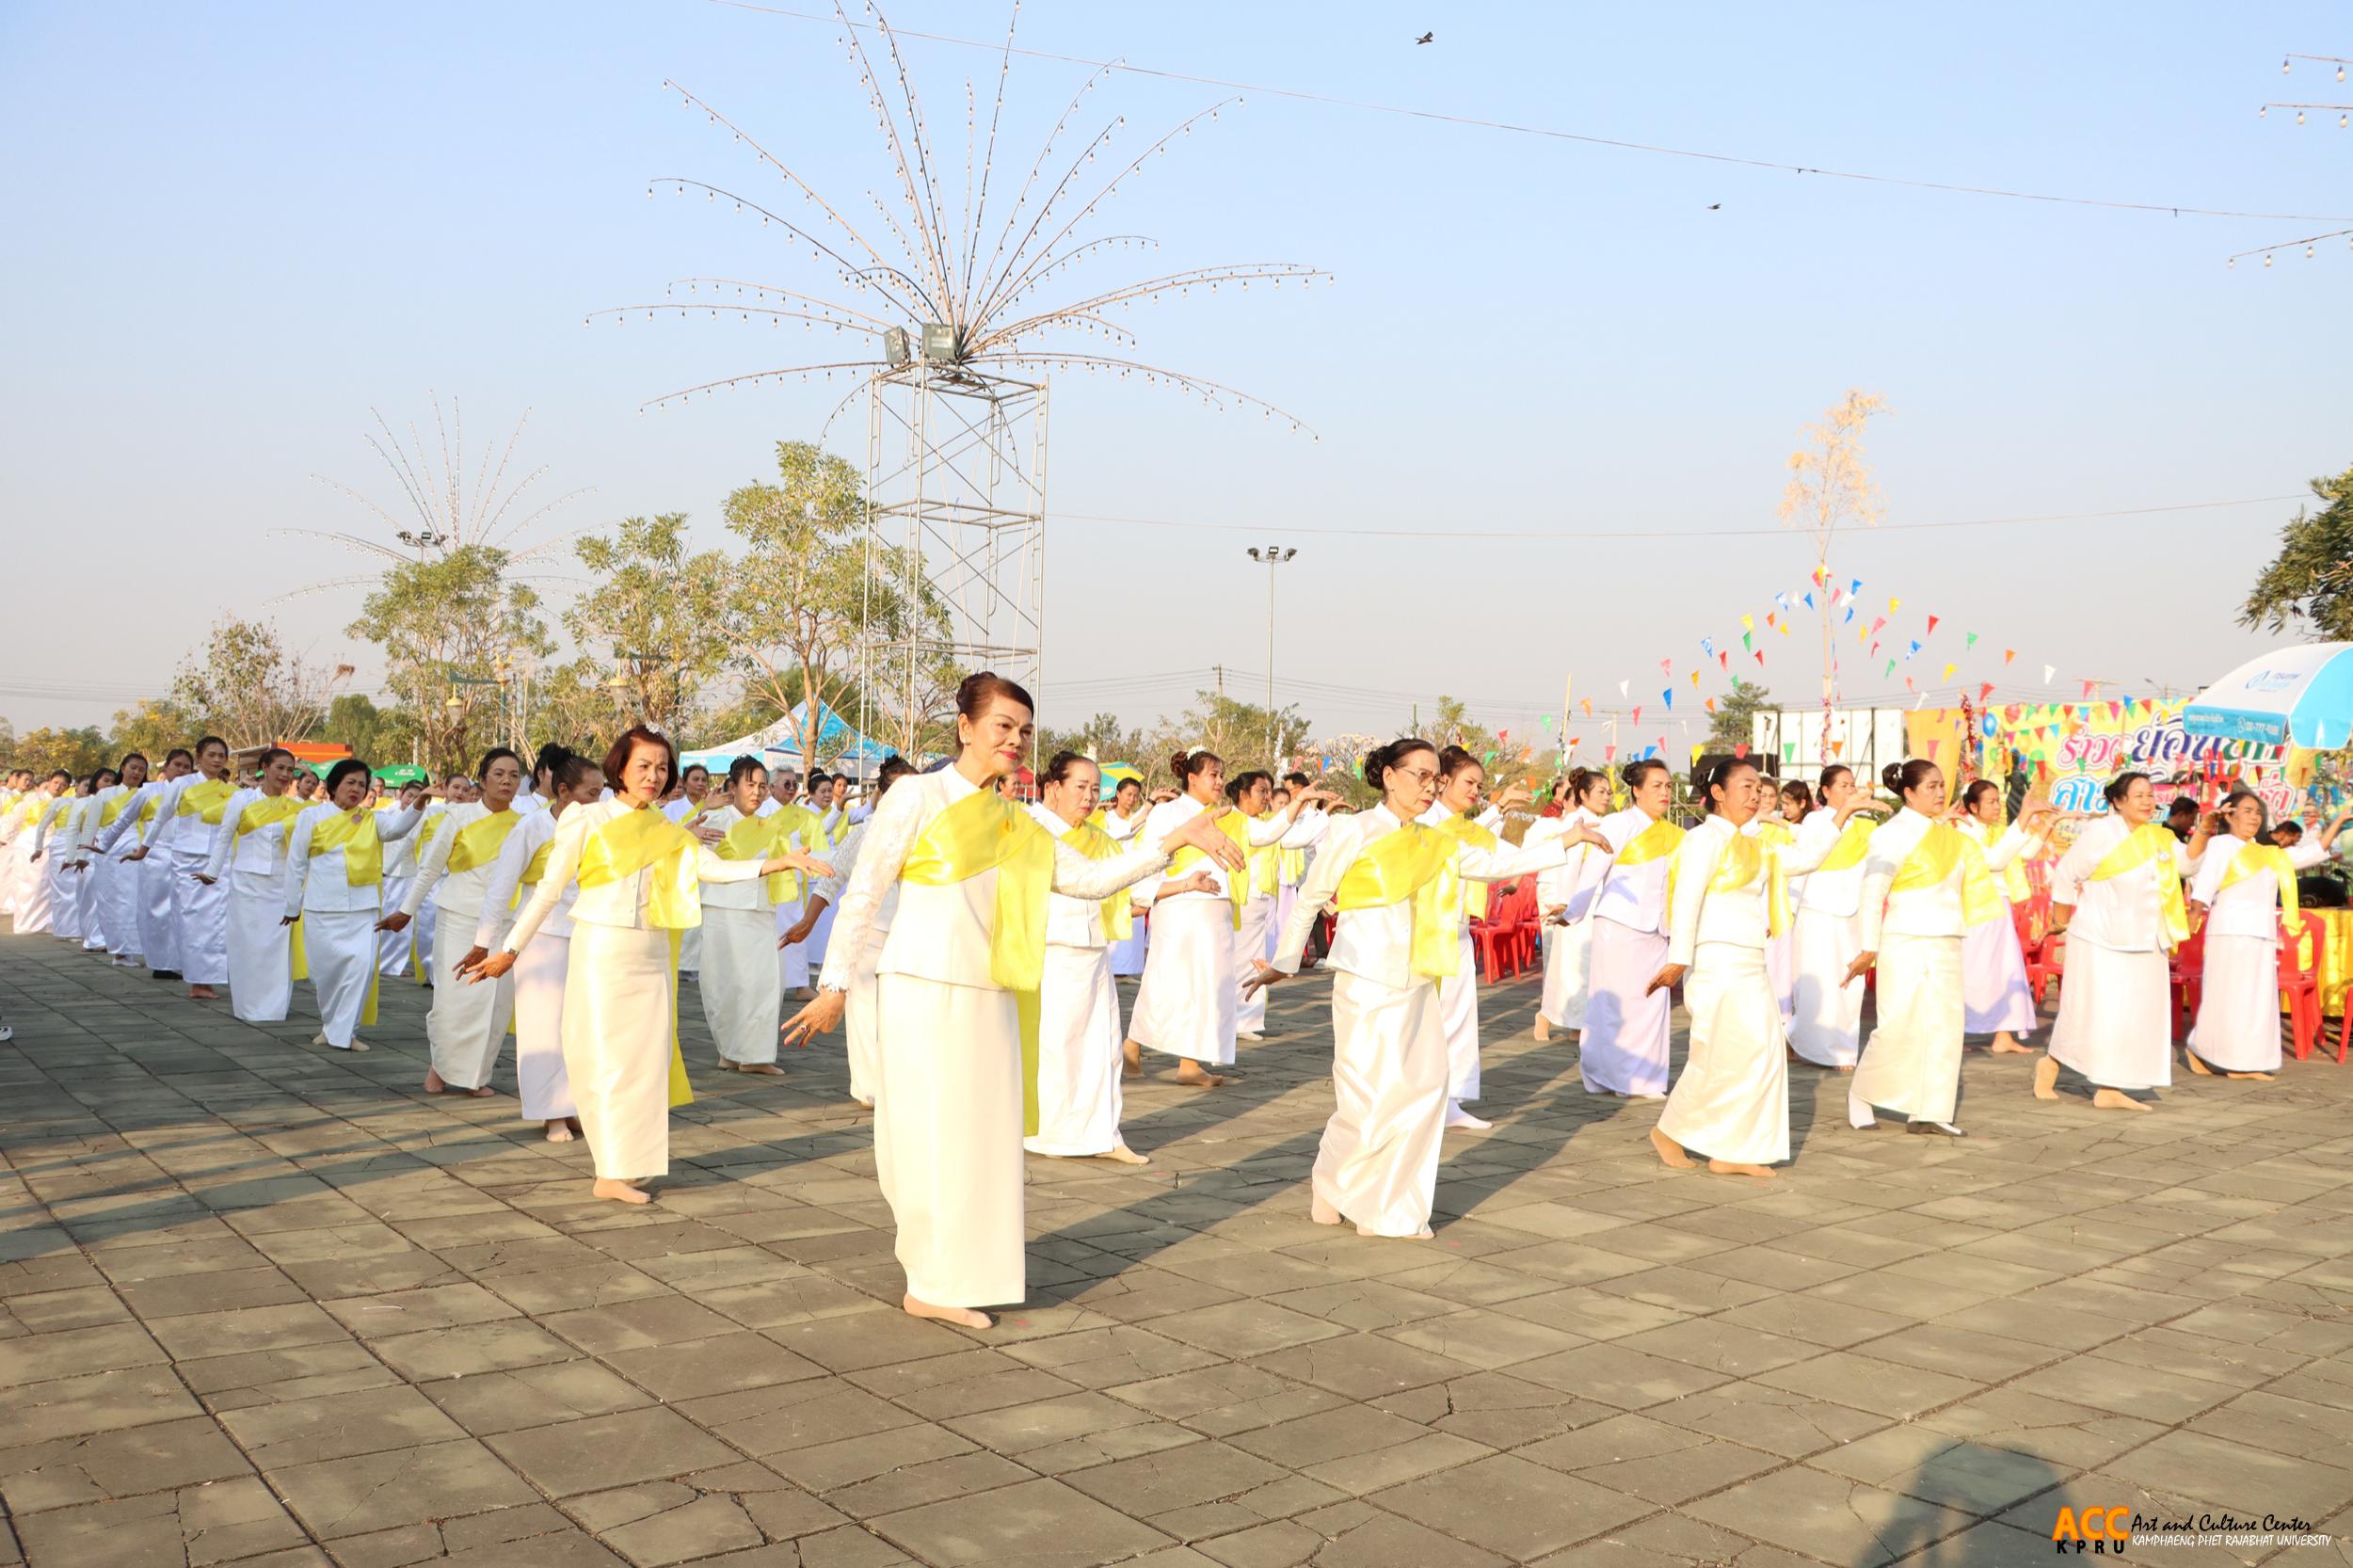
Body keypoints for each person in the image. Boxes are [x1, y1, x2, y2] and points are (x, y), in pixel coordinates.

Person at [782, 675, 1244, 1326]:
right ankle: (928, 1273)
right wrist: (833, 986)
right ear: (966, 727)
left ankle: (961, 1273)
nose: (1015, 739)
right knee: (924, 1135)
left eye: (1024, 730)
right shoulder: (917, 796)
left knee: (983, 1141)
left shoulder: (1014, 818)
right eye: (1002, 725)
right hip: (923, 987)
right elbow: (864, 890)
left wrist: (1170, 843)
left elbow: (1086, 879)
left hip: (992, 996)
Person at [1244, 737, 1608, 1238]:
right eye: (1419, 775)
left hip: (1418, 980)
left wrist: (1570, 840)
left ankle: (1386, 1202)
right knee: (1369, 1098)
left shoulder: (1438, 839)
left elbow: (1496, 864)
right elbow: (1311, 899)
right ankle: (1334, 1181)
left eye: (1434, 778)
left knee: (1422, 1091)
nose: (1428, 786)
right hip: (1365, 981)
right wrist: (1284, 964)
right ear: (1388, 776)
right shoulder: (1354, 830)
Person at [468, 726, 827, 1206]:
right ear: (620, 767)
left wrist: (776, 864)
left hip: (652, 954)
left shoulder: (665, 829)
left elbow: (710, 869)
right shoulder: (585, 819)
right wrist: (509, 950)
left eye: (662, 768)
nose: (653, 776)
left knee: (646, 1066)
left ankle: (629, 1166)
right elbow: (550, 891)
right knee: (607, 1062)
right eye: (643, 766)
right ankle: (609, 1169)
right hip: (601, 951)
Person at [1847, 760, 2048, 1137]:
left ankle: (1930, 1110)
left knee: (1944, 1027)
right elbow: (1873, 893)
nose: (1940, 793)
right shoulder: (1891, 834)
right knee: (1897, 1025)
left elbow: (1994, 861)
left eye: (1943, 786)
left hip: (1948, 941)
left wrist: (2024, 820)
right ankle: (1862, 1094)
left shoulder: (1954, 836)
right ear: (1908, 793)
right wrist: (1867, 947)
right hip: (1905, 940)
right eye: (1931, 787)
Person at [1024, 751, 1205, 1164]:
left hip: (1093, 953)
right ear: (1053, 787)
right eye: (1080, 787)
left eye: (1094, 789)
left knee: (1102, 1047)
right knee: (1056, 1047)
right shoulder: (1033, 831)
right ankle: (1049, 1134)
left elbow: (1129, 886)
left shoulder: (1098, 837)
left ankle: (1104, 1134)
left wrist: (1184, 884)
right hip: (1050, 952)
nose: (1089, 797)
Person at [1125, 749, 1329, 1087]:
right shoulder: (1167, 812)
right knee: (1166, 982)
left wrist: (1297, 804)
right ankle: (1132, 1046)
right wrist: (1157, 893)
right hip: (1179, 905)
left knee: (1209, 985)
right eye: (1213, 775)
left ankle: (1189, 1064)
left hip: (1218, 910)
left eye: (1222, 775)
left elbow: (1266, 834)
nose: (1220, 782)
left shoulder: (1231, 816)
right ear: (1191, 778)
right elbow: (1150, 854)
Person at [1648, 758, 1796, 1180]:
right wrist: (1678, 959)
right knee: (1717, 1054)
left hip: (1750, 959)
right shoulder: (1703, 841)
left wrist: (1839, 819)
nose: (1754, 797)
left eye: (1758, 789)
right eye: (1746, 788)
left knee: (1763, 1053)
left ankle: (1734, 1148)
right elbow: (1687, 899)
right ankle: (1669, 1130)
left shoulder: (1757, 842)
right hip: (1716, 960)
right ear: (1718, 794)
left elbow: (1802, 861)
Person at [2037, 773, 2201, 1112]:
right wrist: (2061, 921)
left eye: (2150, 795)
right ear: (2118, 800)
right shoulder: (2101, 832)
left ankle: (2111, 1087)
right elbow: (2067, 874)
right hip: (2099, 937)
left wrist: (2207, 829)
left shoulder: (2160, 836)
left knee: (2134, 1016)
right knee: (2091, 1013)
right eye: (2138, 794)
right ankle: (2052, 1063)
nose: (2147, 801)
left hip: (2146, 938)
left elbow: (2188, 863)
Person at [468, 750, 600, 1140]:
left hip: (588, 933)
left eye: (601, 793)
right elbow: (501, 887)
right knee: (543, 1027)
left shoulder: (600, 827)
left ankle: (575, 1105)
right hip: (539, 938)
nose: (598, 801)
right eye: (591, 794)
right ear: (563, 791)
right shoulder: (531, 828)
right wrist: (484, 943)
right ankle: (551, 1112)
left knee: (581, 1027)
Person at [384, 749, 526, 1096]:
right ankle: (441, 1068)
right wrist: (406, 910)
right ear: (483, 778)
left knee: (493, 1004)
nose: (506, 781)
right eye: (498, 774)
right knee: (454, 1000)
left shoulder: (525, 821)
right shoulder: (458, 816)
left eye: (513, 775)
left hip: (506, 922)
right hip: (459, 917)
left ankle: (476, 1076)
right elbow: (430, 869)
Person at [2184, 793, 2347, 1080]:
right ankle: (2204, 1049)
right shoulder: (2221, 845)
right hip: (2230, 931)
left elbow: (2312, 852)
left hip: (2262, 933)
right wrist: (2196, 910)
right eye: (2247, 811)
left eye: (2258, 812)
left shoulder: (2268, 853)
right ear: (2230, 815)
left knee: (2256, 1001)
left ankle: (2245, 1060)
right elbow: (2206, 880)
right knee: (2227, 997)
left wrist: (2340, 821)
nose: (2254, 817)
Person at [792, 755, 918, 1105]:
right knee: (864, 1018)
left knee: (903, 1019)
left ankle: (899, 1087)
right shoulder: (864, 833)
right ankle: (870, 1090)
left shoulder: (928, 834)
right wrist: (807, 921)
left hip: (910, 940)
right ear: (880, 793)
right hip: (869, 939)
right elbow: (831, 881)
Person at [1421, 747, 1533, 1129]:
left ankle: (1450, 1101)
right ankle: (1424, 1100)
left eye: (1480, 786)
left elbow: (1486, 845)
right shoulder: (1427, 820)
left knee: (1459, 1016)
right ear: (1443, 782)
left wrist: (1521, 865)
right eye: (1468, 783)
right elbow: (1456, 839)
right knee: (1427, 1020)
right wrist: (1497, 810)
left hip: (1457, 928)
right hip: (1426, 930)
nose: (1475, 791)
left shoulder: (1462, 824)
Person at [285, 760, 425, 1050]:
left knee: (360, 970)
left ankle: (345, 1034)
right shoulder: (311, 817)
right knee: (325, 975)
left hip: (363, 910)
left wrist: (419, 803)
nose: (356, 789)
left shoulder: (373, 820)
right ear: (334, 785)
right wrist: (292, 905)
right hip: (321, 907)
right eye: (350, 782)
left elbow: (399, 829)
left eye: (362, 784)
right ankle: (331, 1027)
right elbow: (296, 863)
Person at [1577, 760, 1684, 1097]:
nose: (1665, 792)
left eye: (1668, 786)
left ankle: (1647, 1079)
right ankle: (1607, 1075)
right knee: (1616, 1007)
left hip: (1658, 929)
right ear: (1636, 790)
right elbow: (1593, 870)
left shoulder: (1674, 833)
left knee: (1652, 1005)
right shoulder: (1617, 823)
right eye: (1656, 786)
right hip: (1619, 926)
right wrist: (1572, 910)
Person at [696, 756, 795, 1075]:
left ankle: (755, 1056)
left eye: (762, 786)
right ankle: (729, 1050)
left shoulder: (771, 824)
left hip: (759, 911)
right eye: (750, 784)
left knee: (765, 983)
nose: (756, 792)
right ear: (734, 786)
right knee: (723, 983)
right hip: (722, 910)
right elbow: (700, 861)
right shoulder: (714, 818)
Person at [1785, 765, 1886, 1069]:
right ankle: (1812, 1045)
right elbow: (1806, 862)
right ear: (1825, 791)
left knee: (1849, 982)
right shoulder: (1816, 821)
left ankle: (1840, 1048)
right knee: (1820, 981)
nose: (1849, 790)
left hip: (1852, 910)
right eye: (1842, 785)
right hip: (1819, 910)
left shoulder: (1864, 825)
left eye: (1852, 785)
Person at [201, 748, 308, 1024]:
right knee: (247, 944)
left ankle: (274, 1007)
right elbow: (225, 835)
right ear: (264, 768)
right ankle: (248, 1005)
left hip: (280, 884)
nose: (285, 775)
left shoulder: (296, 807)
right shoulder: (242, 799)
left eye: (290, 770)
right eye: (280, 768)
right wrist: (212, 871)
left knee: (277, 947)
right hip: (246, 882)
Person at [1228, 770, 1330, 1043]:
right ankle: (1232, 1018)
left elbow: (1293, 838)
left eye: (1268, 792)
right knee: (1238, 962)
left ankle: (1247, 1018)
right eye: (1262, 791)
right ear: (1243, 794)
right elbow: (1266, 835)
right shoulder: (1234, 820)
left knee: (1257, 961)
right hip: (1241, 901)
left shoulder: (1263, 821)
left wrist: (1328, 817)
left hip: (1263, 900)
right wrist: (1299, 803)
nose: (1267, 797)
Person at [1955, 780, 2055, 1055]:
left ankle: (2003, 1034)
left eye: (1998, 801)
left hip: (1998, 906)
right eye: (1990, 802)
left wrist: (2051, 821)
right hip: (1976, 908)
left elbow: (2026, 852)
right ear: (1973, 807)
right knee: (1973, 973)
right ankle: (1954, 1034)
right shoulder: (1964, 831)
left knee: (2006, 970)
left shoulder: (1996, 830)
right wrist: (2024, 816)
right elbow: (1994, 861)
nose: (1997, 806)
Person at [145, 736, 237, 1000]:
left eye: (222, 755)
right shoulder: (182, 784)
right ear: (199, 758)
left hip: (218, 860)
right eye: (212, 754)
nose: (217, 759)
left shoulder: (228, 790)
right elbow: (162, 815)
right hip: (187, 857)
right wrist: (145, 847)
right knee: (192, 920)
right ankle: (197, 980)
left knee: (216, 920)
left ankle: (209, 978)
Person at [95, 747, 193, 976]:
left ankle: (183, 961)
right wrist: (102, 846)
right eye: (177, 765)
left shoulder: (197, 793)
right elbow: (122, 820)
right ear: (166, 767)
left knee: (185, 911)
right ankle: (161, 963)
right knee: (158, 912)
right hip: (155, 857)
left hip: (187, 856)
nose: (181, 770)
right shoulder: (149, 792)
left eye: (186, 767)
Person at [1530, 768, 1611, 1044]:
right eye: (1600, 791)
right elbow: (1569, 868)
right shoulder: (1579, 825)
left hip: (1597, 903)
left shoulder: (1603, 822)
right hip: (1579, 905)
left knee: (1587, 968)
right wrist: (1566, 904)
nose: (1607, 796)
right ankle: (1547, 1018)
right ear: (1584, 795)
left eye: (1609, 792)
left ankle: (1580, 1026)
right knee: (1572, 968)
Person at [89, 753, 150, 965]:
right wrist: (81, 855)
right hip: (110, 852)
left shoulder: (147, 793)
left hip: (138, 851)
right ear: (123, 768)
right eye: (133, 767)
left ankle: (139, 948)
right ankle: (121, 950)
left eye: (141, 770)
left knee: (137, 900)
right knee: (113, 901)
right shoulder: (105, 794)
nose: (136, 773)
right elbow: (91, 825)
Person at [1100, 776, 1154, 980]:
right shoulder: (1106, 819)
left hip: (1135, 876)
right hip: (1113, 875)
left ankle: (1129, 969)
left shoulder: (1141, 820)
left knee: (1135, 925)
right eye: (1128, 794)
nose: (1132, 799)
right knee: (1114, 918)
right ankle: (1112, 968)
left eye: (1136, 795)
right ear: (1119, 794)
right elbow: (1119, 835)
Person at [7, 773, 72, 936]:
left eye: (63, 785)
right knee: (29, 885)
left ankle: (48, 922)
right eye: (56, 782)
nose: (58, 787)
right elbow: (17, 817)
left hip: (53, 845)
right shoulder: (33, 799)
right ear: (49, 782)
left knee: (48, 885)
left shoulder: (66, 803)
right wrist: (6, 837)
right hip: (30, 844)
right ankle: (26, 923)